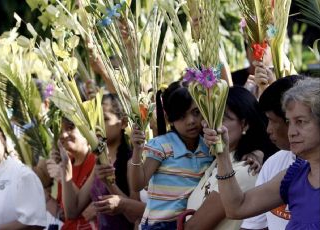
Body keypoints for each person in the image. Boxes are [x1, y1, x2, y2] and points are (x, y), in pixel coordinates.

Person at [204, 77, 320, 229]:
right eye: (288, 122)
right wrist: (222, 154)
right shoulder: (295, 174)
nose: (291, 132)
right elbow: (237, 208)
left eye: (300, 121)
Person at [183, 86, 277, 229]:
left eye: (222, 118)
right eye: (210, 116)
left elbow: (193, 228)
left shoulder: (245, 169)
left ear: (244, 124)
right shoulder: (217, 160)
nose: (212, 124)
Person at [129, 83, 213, 229]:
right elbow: (137, 185)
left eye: (195, 112)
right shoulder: (161, 146)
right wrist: (137, 151)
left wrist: (254, 154)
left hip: (190, 222)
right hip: (158, 225)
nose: (191, 121)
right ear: (169, 119)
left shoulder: (209, 147)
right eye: (181, 116)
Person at [55, 94, 145, 230]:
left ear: (124, 122)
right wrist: (66, 166)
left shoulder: (132, 161)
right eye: (96, 120)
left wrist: (109, 184)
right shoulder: (99, 161)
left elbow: (134, 217)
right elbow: (72, 212)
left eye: (105, 119)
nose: (99, 126)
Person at [241, 75, 304, 230]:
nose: (268, 129)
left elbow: (237, 207)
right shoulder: (275, 163)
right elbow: (244, 215)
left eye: (272, 120)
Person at [46, 117, 98, 230]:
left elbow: (85, 210)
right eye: (59, 131)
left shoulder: (97, 161)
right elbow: (66, 214)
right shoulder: (65, 162)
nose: (63, 135)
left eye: (70, 128)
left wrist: (62, 176)